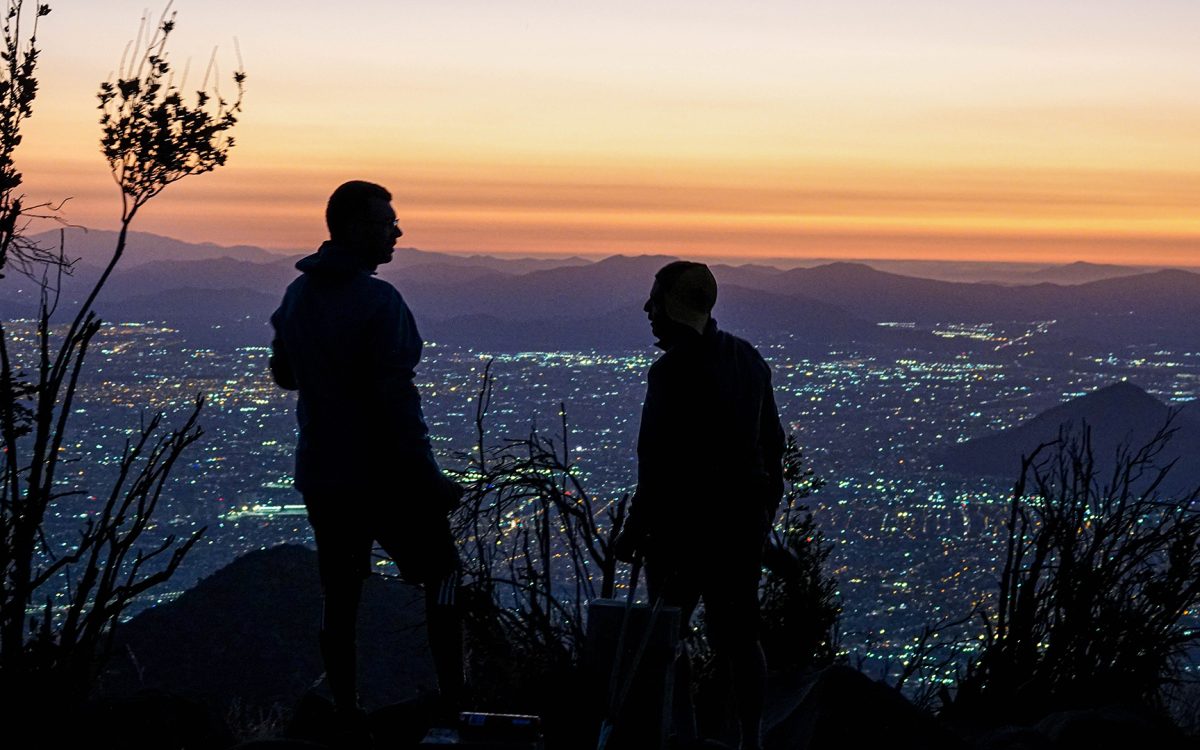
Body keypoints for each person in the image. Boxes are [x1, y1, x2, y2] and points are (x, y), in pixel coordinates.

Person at [269, 180, 465, 718]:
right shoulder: (379, 301)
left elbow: (284, 373)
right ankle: (453, 699)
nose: (397, 232)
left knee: (341, 591)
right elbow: (397, 403)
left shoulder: (297, 295)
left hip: (323, 473)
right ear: (355, 228)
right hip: (385, 477)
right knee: (444, 573)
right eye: (386, 222)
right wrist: (429, 480)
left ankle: (345, 708)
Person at [613, 261, 785, 750]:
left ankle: (678, 733)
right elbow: (772, 450)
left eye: (654, 301)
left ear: (672, 306)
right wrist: (760, 520)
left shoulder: (671, 372)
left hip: (680, 530)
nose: (647, 311)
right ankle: (749, 739)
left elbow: (657, 462)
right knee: (740, 636)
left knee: (667, 633)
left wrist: (634, 530)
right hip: (738, 528)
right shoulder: (747, 360)